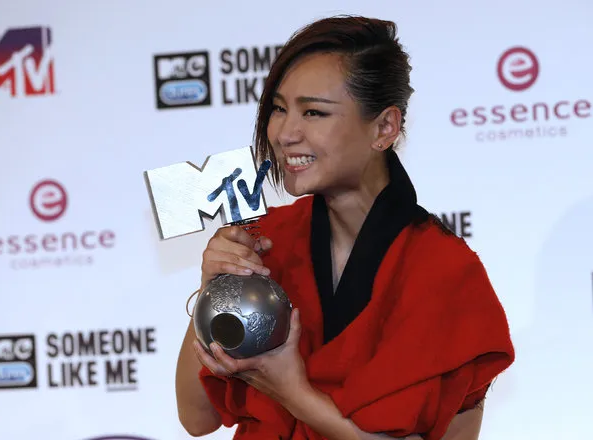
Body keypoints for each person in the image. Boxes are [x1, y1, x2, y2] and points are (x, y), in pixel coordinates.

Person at [175, 15, 515, 440]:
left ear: (384, 128)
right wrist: (214, 287)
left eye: (314, 112)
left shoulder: (444, 269)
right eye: (279, 109)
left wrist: (293, 393)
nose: (284, 133)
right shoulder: (264, 243)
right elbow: (197, 418)